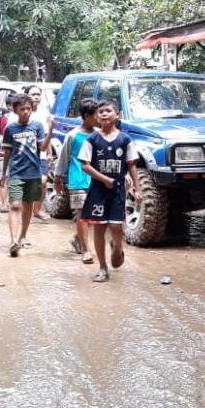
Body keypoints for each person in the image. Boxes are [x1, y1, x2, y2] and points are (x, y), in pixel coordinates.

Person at [78, 99, 141, 282]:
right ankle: (103, 268)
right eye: (101, 112)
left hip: (118, 189)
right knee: (98, 227)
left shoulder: (125, 139)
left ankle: (118, 247)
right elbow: (85, 166)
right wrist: (104, 179)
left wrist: (137, 189)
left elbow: (131, 165)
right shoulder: (92, 140)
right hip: (98, 189)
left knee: (115, 225)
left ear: (117, 114)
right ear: (97, 116)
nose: (104, 114)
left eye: (108, 111)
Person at [0, 93, 53, 257]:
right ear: (15, 110)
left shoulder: (37, 126)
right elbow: (7, 152)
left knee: (28, 206)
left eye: (28, 108)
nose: (26, 111)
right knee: (14, 205)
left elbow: (42, 149)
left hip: (33, 173)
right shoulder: (10, 129)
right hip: (16, 172)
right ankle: (14, 240)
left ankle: (22, 235)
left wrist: (50, 132)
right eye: (22, 109)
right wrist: (3, 173)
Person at [54, 98, 98, 265]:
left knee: (93, 216)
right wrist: (58, 178)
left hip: (95, 181)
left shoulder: (99, 134)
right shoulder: (73, 135)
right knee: (82, 215)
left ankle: (77, 238)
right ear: (87, 116)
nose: (100, 118)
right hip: (77, 179)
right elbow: (63, 158)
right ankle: (86, 250)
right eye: (96, 115)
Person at [23, 84, 52, 220]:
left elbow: (47, 135)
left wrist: (50, 153)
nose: (36, 97)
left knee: (43, 181)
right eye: (33, 94)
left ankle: (38, 209)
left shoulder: (44, 112)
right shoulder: (22, 112)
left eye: (38, 94)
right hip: (25, 154)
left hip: (41, 153)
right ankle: (25, 209)